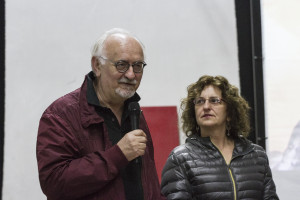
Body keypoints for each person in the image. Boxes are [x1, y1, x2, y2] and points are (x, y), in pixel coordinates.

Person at [36, 28, 165, 200]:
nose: (131, 74)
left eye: (138, 66)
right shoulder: (61, 115)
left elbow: (148, 182)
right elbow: (54, 183)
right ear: (97, 65)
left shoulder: (134, 112)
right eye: (121, 64)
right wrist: (118, 155)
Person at [161, 75, 279, 200]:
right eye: (200, 101)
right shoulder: (180, 158)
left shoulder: (257, 155)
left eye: (214, 100)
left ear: (229, 112)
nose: (206, 106)